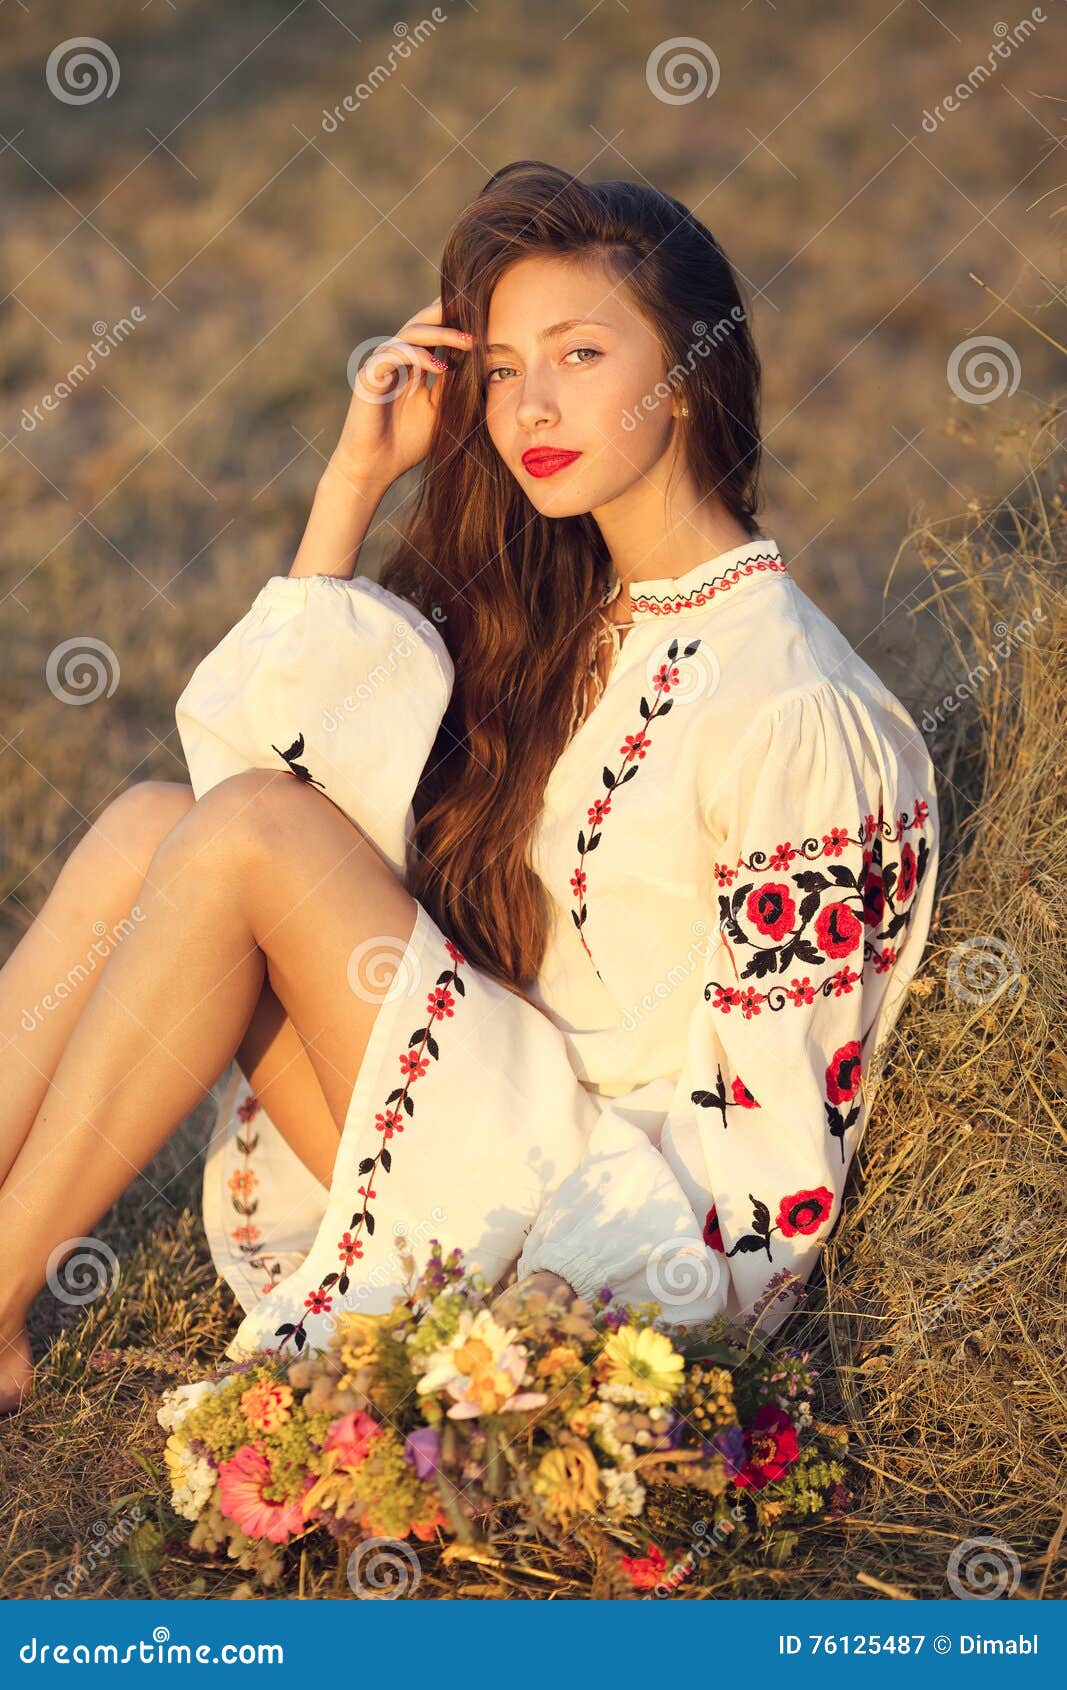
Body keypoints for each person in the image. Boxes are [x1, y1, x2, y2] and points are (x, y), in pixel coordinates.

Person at [0, 161, 938, 1413]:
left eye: (580, 354)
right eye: (500, 369)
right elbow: (255, 780)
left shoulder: (793, 706)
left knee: (236, 835)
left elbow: (775, 1161)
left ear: (690, 371)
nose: (527, 404)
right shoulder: (565, 611)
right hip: (461, 1124)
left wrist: (609, 1357)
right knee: (147, 829)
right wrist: (349, 489)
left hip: (594, 1244)